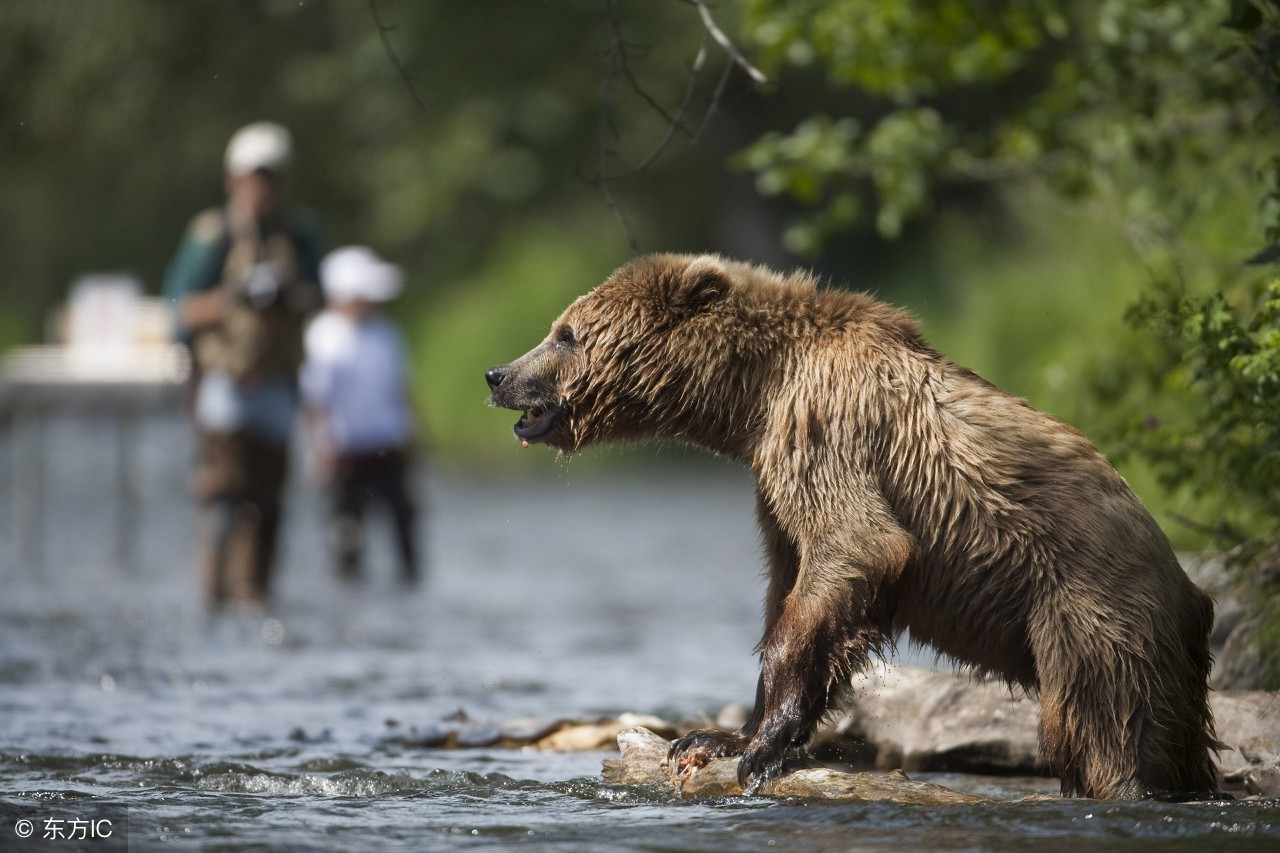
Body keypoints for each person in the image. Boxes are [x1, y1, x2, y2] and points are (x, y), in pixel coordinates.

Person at [164, 121, 322, 608]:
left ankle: (256, 595)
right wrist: (234, 298)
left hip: (277, 384)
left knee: (269, 500)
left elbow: (320, 298)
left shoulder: (299, 234)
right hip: (226, 384)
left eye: (271, 176)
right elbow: (181, 310)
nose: (263, 187)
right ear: (233, 179)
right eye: (255, 176)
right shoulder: (212, 235)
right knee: (225, 491)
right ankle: (214, 595)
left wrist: (284, 298)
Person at [300, 246, 421, 585]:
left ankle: (409, 590)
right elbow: (314, 402)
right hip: (343, 453)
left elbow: (401, 390)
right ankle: (350, 600)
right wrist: (319, 450)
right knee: (346, 536)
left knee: (405, 527)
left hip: (386, 447)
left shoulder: (387, 334)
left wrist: (414, 437)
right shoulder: (323, 337)